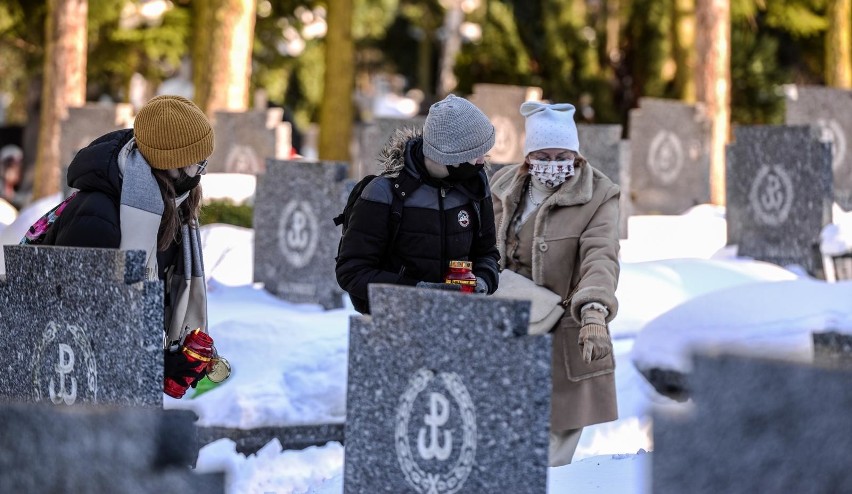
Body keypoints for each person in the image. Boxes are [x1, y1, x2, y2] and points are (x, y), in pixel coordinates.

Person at [38, 95, 218, 395]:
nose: (200, 174)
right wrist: (153, 363)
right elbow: (74, 329)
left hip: (117, 393)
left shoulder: (168, 210)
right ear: (168, 165)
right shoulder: (98, 218)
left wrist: (174, 356)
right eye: (196, 164)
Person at [490, 101, 620, 466]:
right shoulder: (503, 187)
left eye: (562, 154)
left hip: (565, 335)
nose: (552, 163)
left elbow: (601, 256)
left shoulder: (599, 195)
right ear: (528, 157)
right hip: (508, 330)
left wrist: (594, 310)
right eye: (542, 155)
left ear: (576, 154)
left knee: (547, 461)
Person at [336, 94, 500, 313]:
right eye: (476, 153)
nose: (483, 160)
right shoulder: (384, 193)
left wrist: (483, 282)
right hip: (395, 323)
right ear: (449, 154)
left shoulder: (474, 187)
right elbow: (352, 272)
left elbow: (487, 253)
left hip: (458, 322)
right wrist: (419, 292)